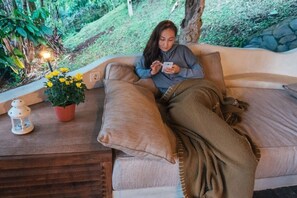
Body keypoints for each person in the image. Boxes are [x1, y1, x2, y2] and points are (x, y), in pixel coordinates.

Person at [135, 20, 204, 94]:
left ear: (174, 39)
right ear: (156, 38)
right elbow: (139, 70)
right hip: (171, 95)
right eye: (162, 39)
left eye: (170, 40)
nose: (166, 44)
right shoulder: (150, 54)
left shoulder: (183, 50)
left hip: (191, 88)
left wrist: (180, 70)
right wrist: (151, 72)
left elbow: (200, 73)